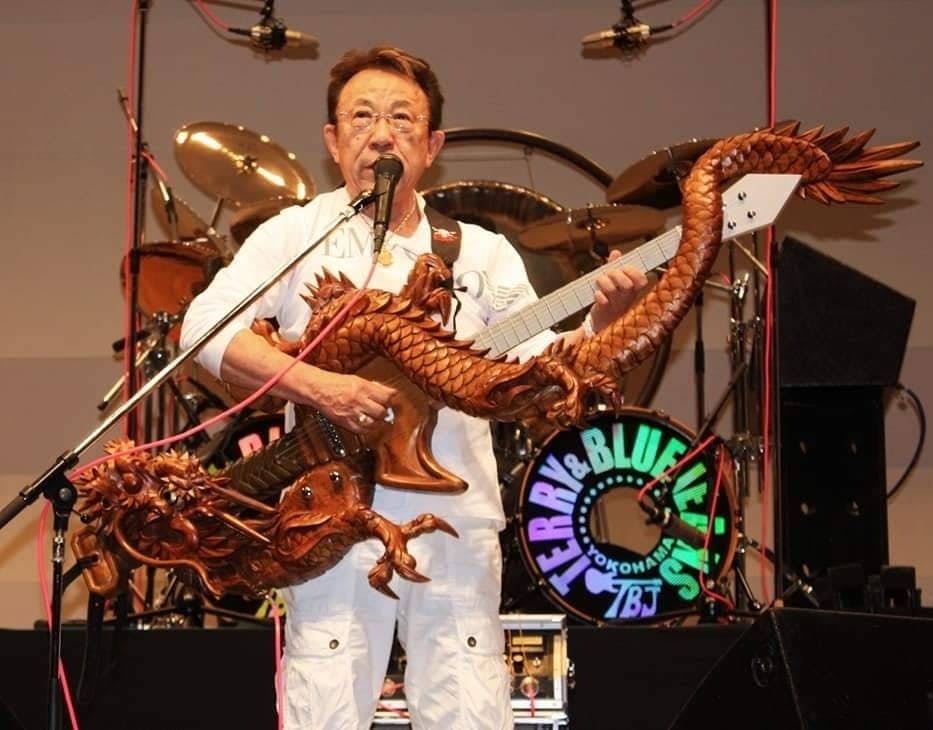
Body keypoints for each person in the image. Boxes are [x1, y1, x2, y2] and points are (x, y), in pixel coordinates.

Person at [180, 46, 646, 730]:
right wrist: (323, 388)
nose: (381, 134)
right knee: (324, 710)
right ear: (333, 140)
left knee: (469, 711)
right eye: (362, 117)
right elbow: (204, 329)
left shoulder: (479, 253)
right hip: (332, 516)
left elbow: (543, 371)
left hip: (456, 520)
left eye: (402, 119)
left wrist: (605, 322)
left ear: (432, 147)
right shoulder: (296, 235)